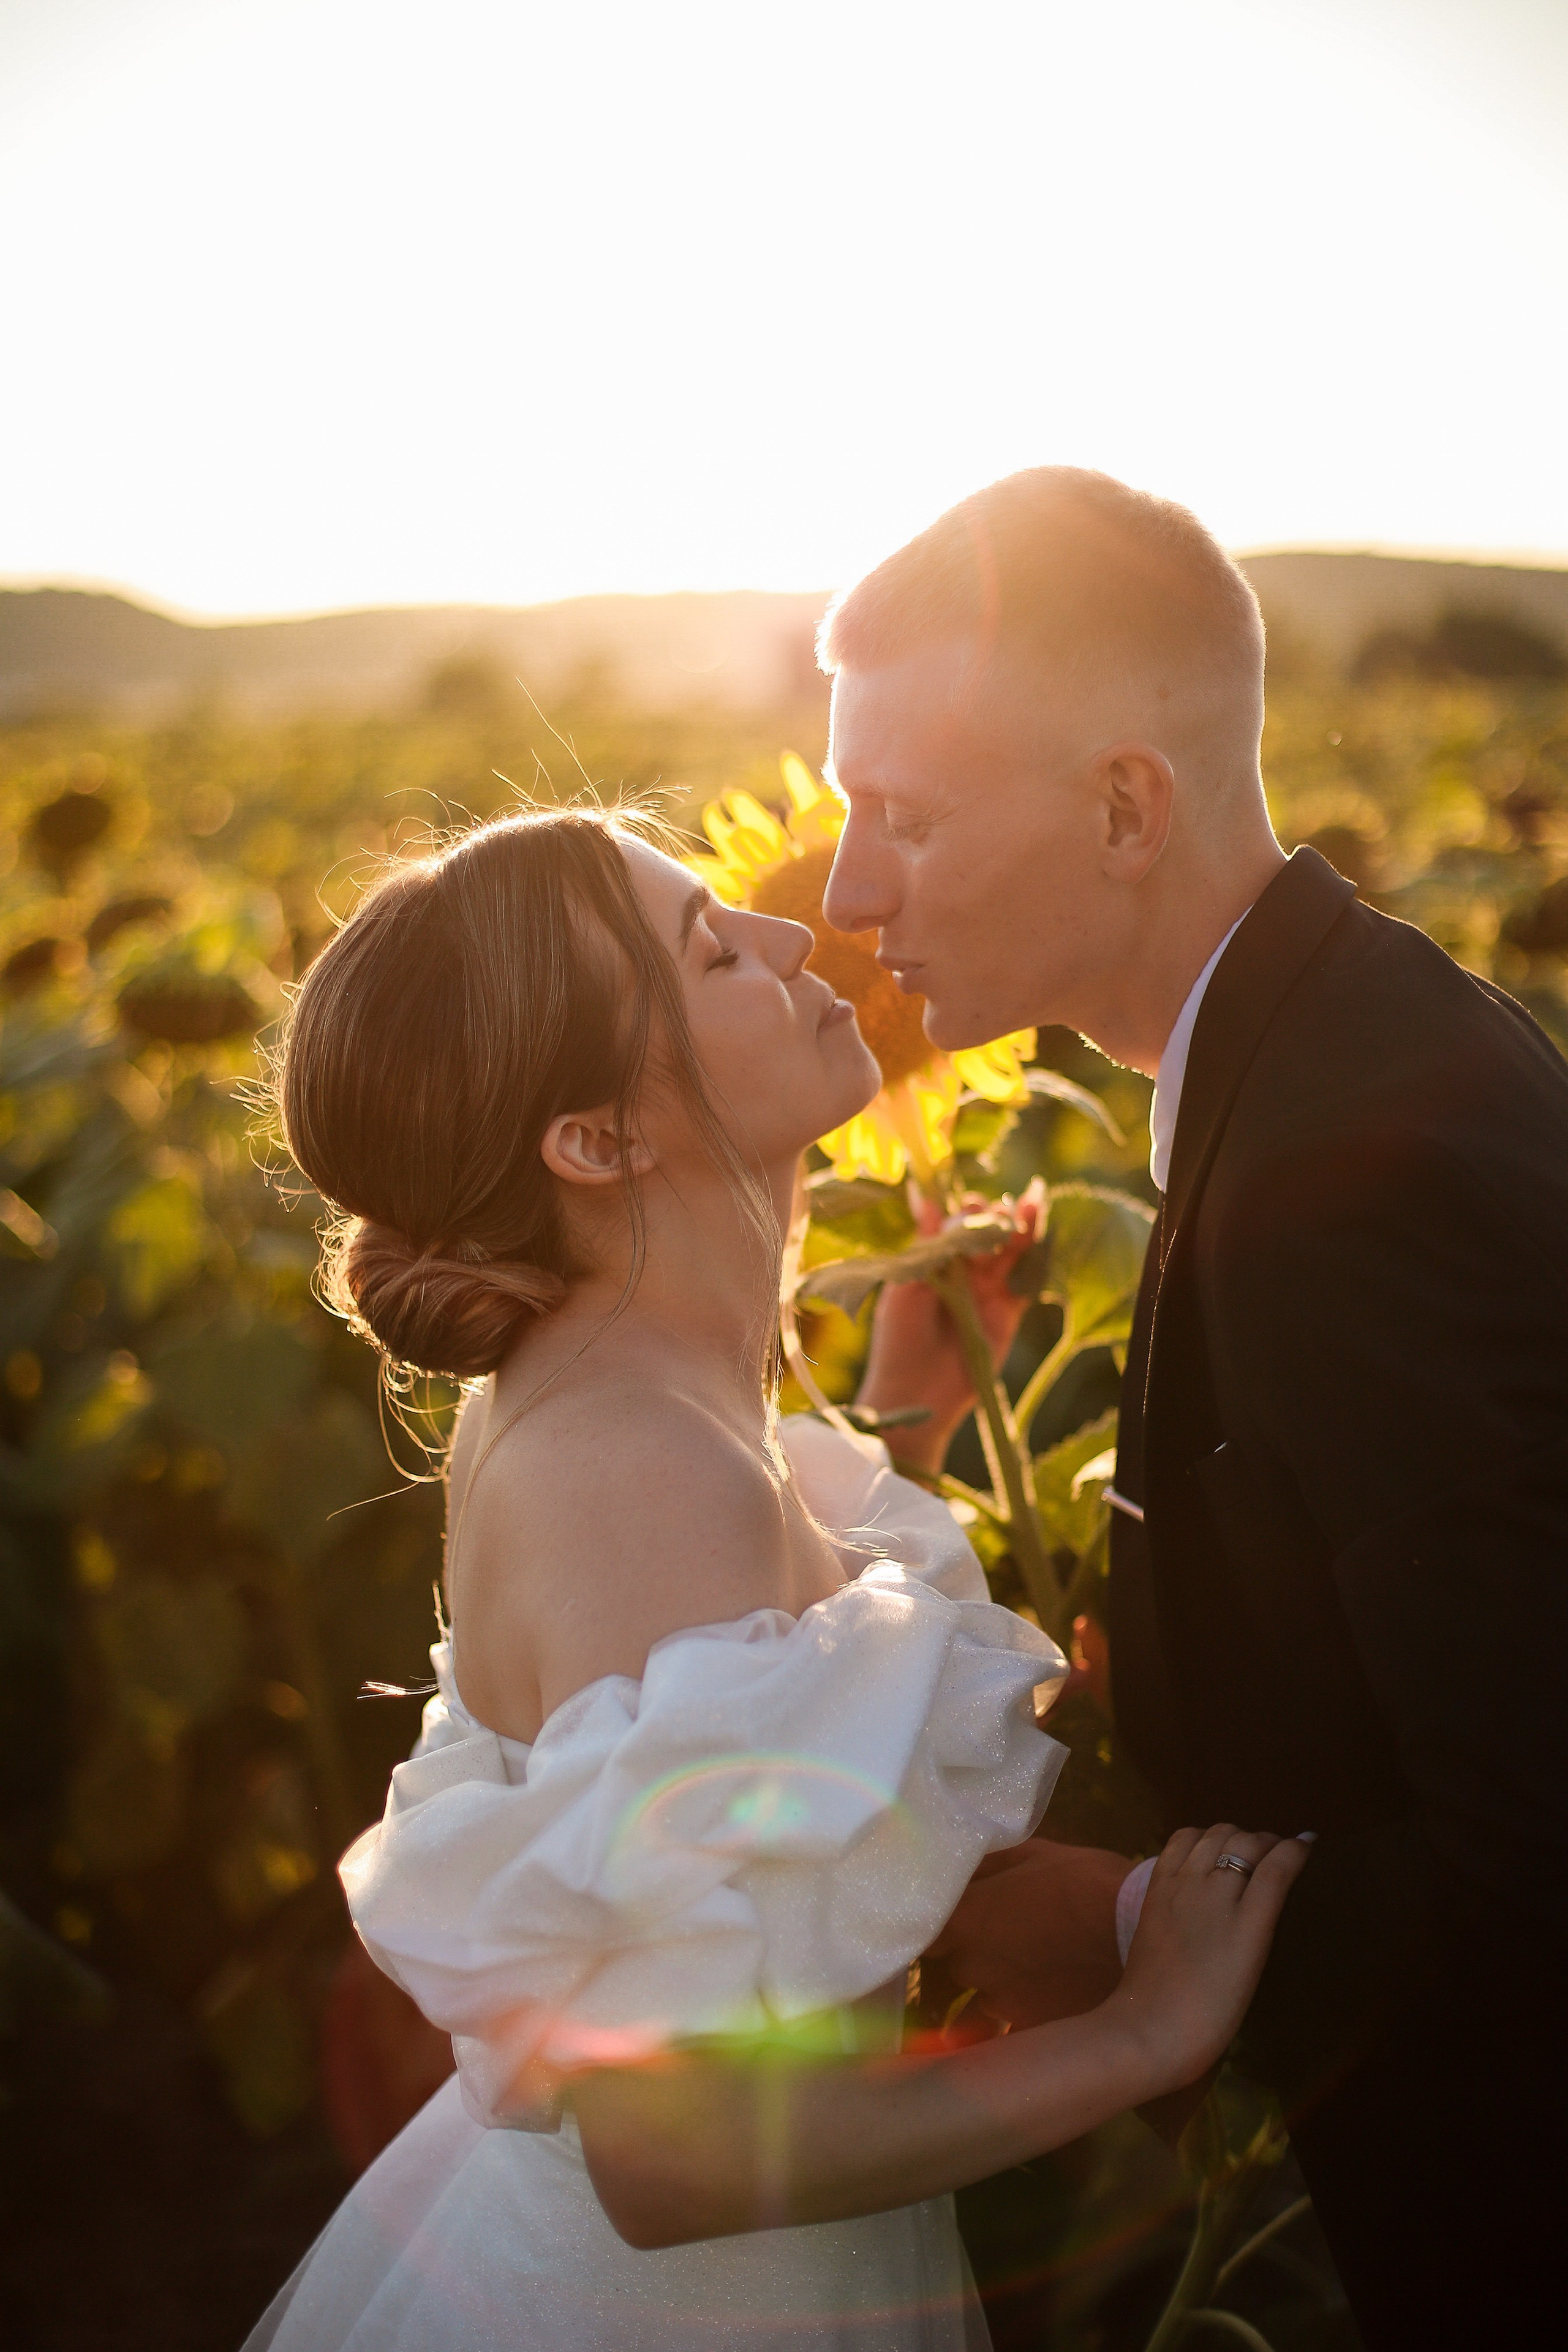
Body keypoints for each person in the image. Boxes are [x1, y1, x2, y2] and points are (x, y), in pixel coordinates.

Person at [241, 805, 1305, 2351]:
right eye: (716, 950)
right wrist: (1142, 2036)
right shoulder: (636, 1470)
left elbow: (766, 1721)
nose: (798, 941)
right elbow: (670, 2160)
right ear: (599, 1141)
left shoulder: (614, 1392)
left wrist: (910, 1396)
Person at [821, 466, 1568, 2352]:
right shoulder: (1330, 1044)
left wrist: (1145, 1923)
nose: (843, 890)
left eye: (901, 817)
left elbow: (1536, 1816)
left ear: (1124, 807)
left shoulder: (1352, 1165)